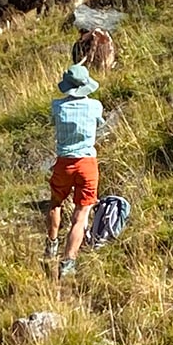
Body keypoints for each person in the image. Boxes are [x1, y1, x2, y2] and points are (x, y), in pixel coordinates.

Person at [44, 63, 104, 280]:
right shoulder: (95, 106)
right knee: (81, 215)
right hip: (87, 163)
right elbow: (100, 124)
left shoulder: (57, 106)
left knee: (55, 203)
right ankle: (68, 263)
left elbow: (52, 123)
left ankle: (51, 244)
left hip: (64, 162)